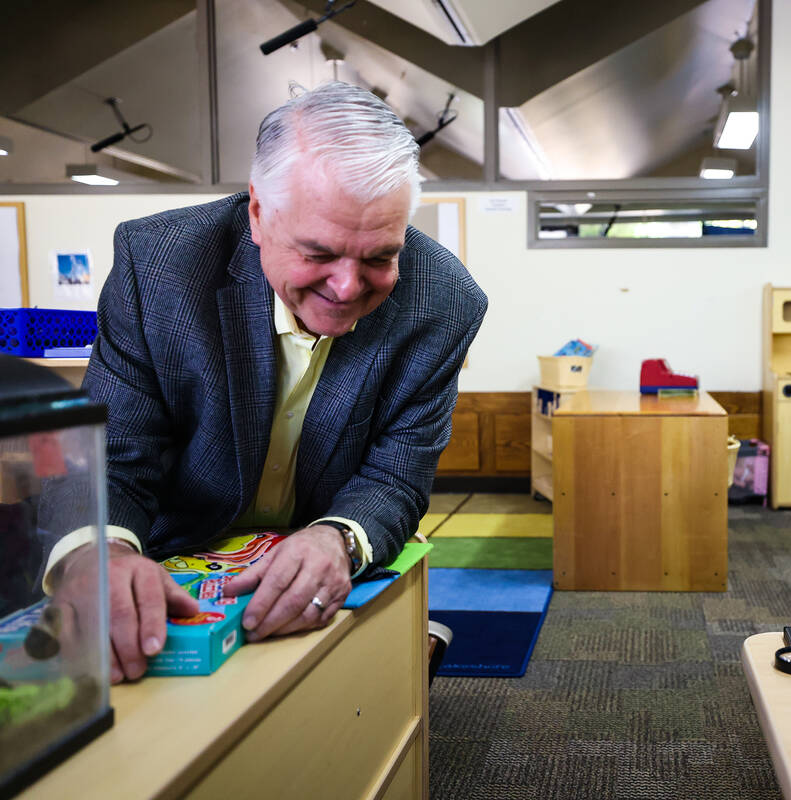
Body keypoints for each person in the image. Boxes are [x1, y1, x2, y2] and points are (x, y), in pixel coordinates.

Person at [44, 81, 487, 683]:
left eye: (380, 257)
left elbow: (396, 475)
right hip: (164, 559)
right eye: (318, 252)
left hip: (320, 586)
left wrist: (337, 539)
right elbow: (110, 458)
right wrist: (102, 553)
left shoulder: (443, 301)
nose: (347, 287)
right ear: (257, 213)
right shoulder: (159, 266)